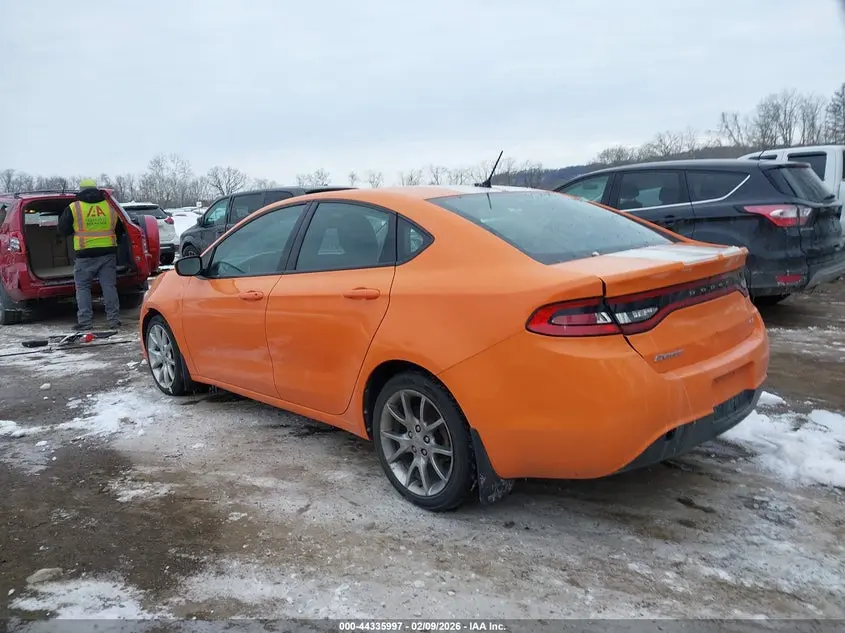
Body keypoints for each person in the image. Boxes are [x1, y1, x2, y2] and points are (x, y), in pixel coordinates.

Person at [58, 179, 124, 330]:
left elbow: (63, 230)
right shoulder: (110, 206)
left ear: (80, 190)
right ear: (97, 189)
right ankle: (114, 321)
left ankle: (85, 322)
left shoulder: (74, 208)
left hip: (84, 254)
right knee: (109, 287)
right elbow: (120, 230)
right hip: (108, 252)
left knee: (83, 288)